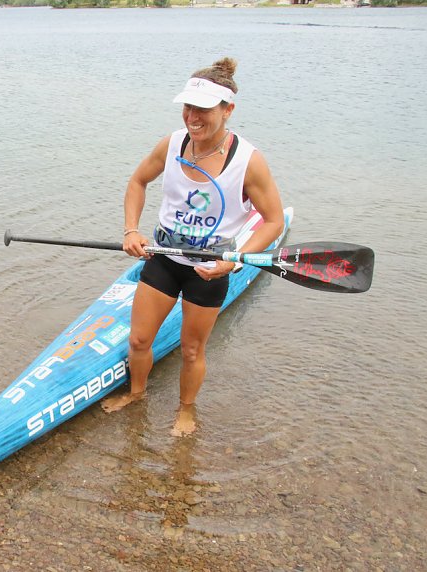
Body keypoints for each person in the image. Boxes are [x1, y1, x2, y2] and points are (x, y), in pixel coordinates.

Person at [100, 57, 285, 437]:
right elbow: (137, 182)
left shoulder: (249, 162)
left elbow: (273, 220)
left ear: (228, 109)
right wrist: (131, 230)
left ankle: (186, 410)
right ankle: (137, 394)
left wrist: (233, 263)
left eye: (203, 109)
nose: (192, 117)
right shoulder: (171, 145)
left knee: (191, 350)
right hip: (164, 259)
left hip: (210, 269)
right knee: (137, 339)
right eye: (188, 107)